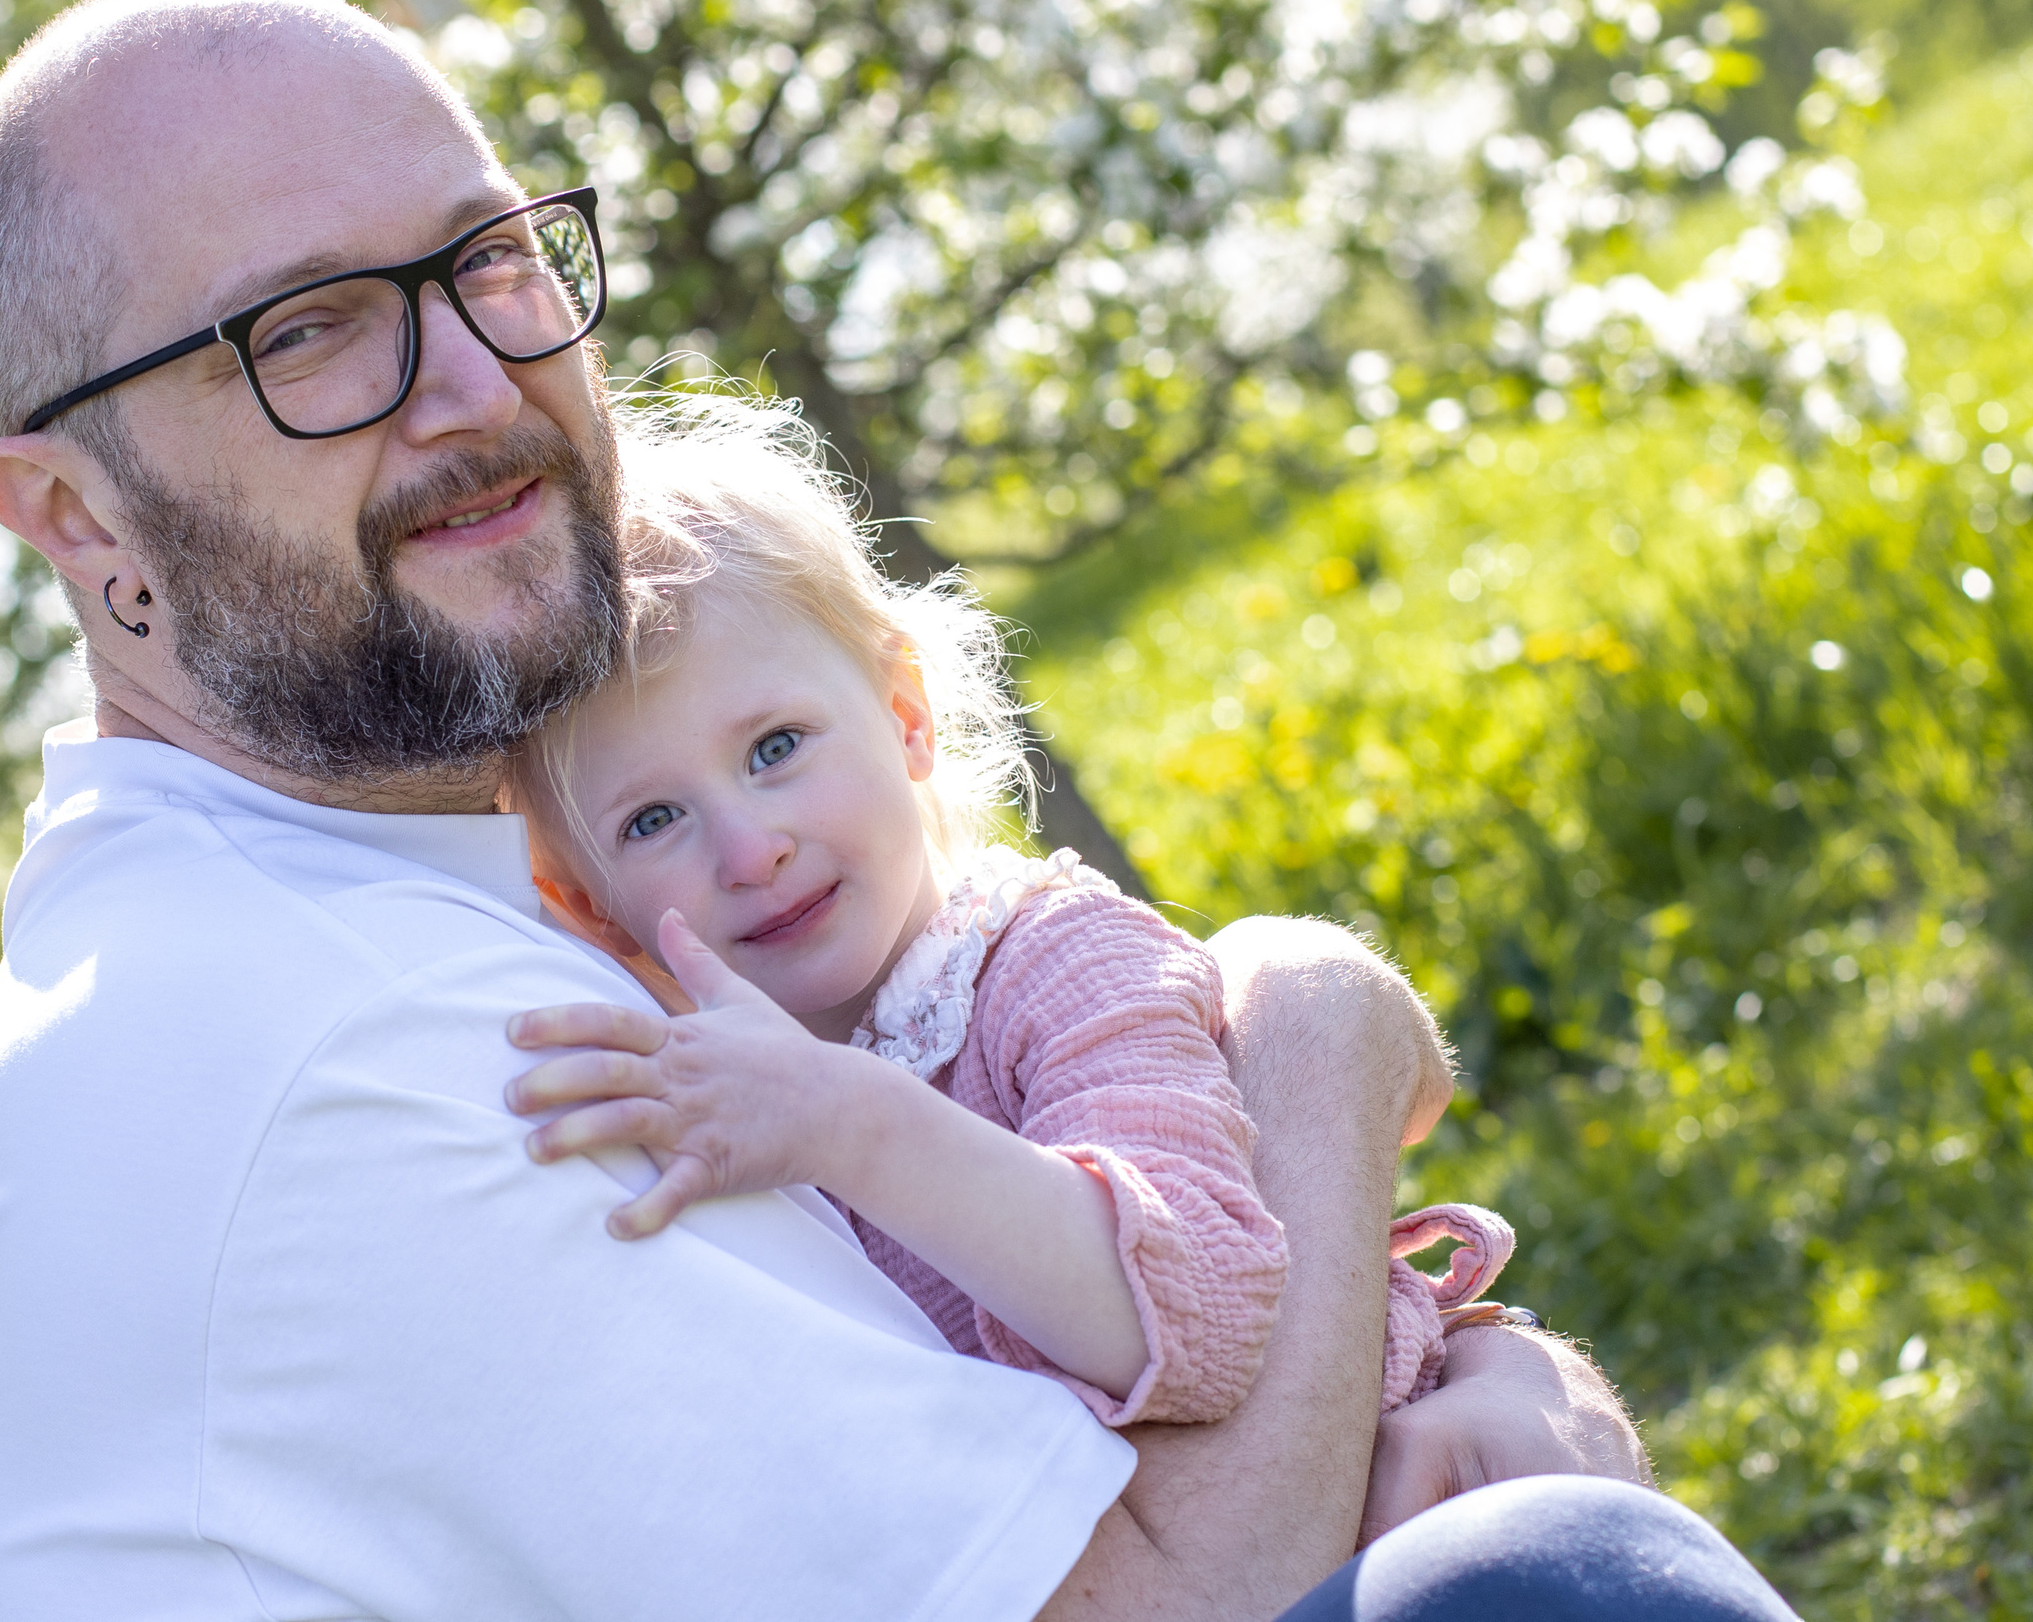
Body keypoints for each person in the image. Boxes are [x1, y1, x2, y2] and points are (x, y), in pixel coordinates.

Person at [0, 0, 1795, 1620]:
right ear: (80, 517)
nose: (477, 382)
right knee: (1538, 1585)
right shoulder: (353, 1047)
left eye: (487, 257)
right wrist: (1315, 1028)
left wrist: (1478, 1388)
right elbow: (1193, 1598)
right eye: (310, 328)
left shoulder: (315, 907)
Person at [498, 404, 1516, 1426]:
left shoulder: (1055, 964)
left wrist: (847, 1125)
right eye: (654, 819)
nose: (749, 850)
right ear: (588, 906)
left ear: (906, 717)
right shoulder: (706, 1106)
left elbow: (1198, 1322)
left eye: (776, 748)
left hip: (1375, 1508)